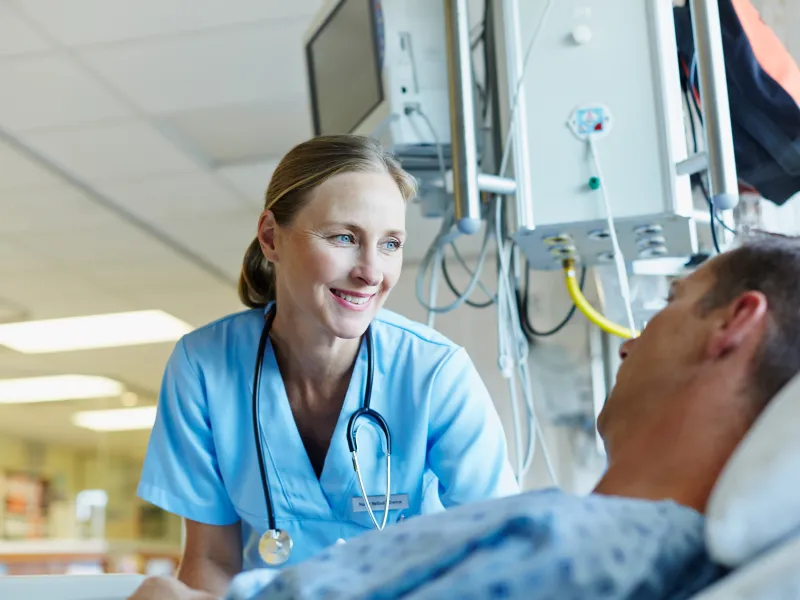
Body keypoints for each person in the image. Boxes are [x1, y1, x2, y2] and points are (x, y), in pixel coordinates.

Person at [130, 235, 800, 600]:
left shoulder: (586, 549)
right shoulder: (578, 529)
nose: (629, 339)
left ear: (735, 324)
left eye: (673, 301)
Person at [134, 135, 519, 596]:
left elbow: (504, 552)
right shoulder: (203, 367)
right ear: (271, 237)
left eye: (391, 243)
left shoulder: (434, 373)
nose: (372, 271)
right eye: (344, 237)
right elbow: (212, 560)